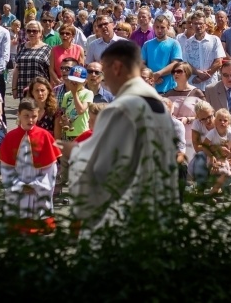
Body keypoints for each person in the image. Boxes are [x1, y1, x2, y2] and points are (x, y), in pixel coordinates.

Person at [66, 40, 178, 235]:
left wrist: (73, 152)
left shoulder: (119, 109)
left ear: (116, 67)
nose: (103, 79)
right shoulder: (156, 102)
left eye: (103, 71)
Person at [0, 98, 61, 234]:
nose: (31, 120)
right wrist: (19, 185)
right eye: (26, 116)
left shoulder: (45, 136)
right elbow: (6, 167)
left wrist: (36, 184)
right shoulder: (10, 137)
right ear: (19, 115)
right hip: (18, 184)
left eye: (34, 116)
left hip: (39, 186)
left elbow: (51, 169)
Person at [202, 109, 231, 199]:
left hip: (228, 158)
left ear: (229, 123)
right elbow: (204, 146)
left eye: (225, 120)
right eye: (220, 120)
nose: (222, 122)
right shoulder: (212, 133)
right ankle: (212, 195)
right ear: (215, 121)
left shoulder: (229, 132)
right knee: (224, 173)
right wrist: (211, 156)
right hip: (216, 158)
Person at [141, 15, 183, 95]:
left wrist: (159, 74)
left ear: (168, 27)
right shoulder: (147, 44)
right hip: (150, 90)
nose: (159, 30)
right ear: (153, 27)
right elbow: (142, 63)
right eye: (157, 27)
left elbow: (175, 64)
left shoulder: (174, 44)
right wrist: (152, 76)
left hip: (169, 90)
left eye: (162, 27)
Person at [11, 20, 52, 98]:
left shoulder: (47, 48)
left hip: (40, 90)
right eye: (29, 31)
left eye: (34, 31)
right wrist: (14, 88)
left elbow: (50, 71)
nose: (31, 33)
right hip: (23, 89)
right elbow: (17, 69)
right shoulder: (22, 46)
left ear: (40, 32)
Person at [57, 65, 94, 142]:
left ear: (85, 82)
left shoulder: (88, 93)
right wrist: (64, 119)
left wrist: (74, 94)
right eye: (72, 80)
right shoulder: (66, 95)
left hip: (82, 132)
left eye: (77, 81)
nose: (74, 83)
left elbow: (81, 110)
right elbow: (63, 111)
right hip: (68, 133)